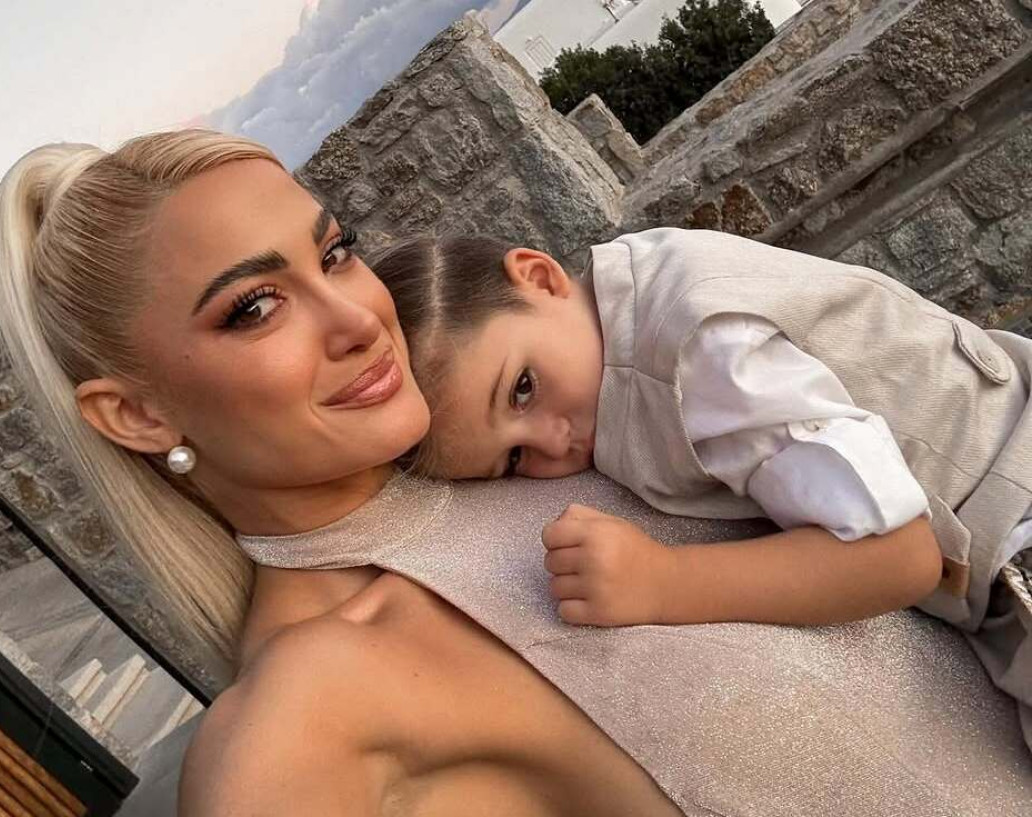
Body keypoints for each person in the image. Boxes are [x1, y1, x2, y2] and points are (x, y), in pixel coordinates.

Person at [0, 129, 1032, 816]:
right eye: (254, 307)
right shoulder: (317, 698)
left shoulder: (532, 434)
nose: (358, 318)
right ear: (138, 414)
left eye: (335, 253)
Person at [370, 230, 1032, 741]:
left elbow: (900, 556)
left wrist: (662, 581)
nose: (554, 441)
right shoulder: (639, 283)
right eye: (514, 460)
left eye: (522, 387)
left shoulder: (699, 360)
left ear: (539, 276)